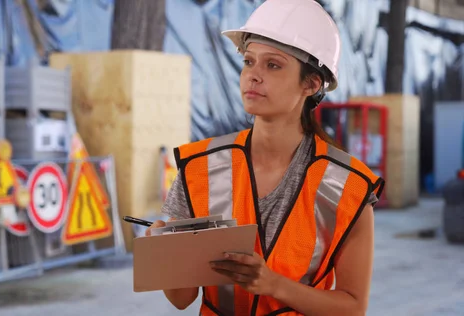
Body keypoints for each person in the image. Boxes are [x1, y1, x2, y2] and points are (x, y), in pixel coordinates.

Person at [145, 0, 385, 315]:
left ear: (311, 84)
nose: (253, 76)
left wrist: (272, 284)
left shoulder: (347, 188)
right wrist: (164, 255)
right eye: (248, 61)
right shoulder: (200, 169)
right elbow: (181, 298)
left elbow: (353, 308)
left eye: (273, 65)